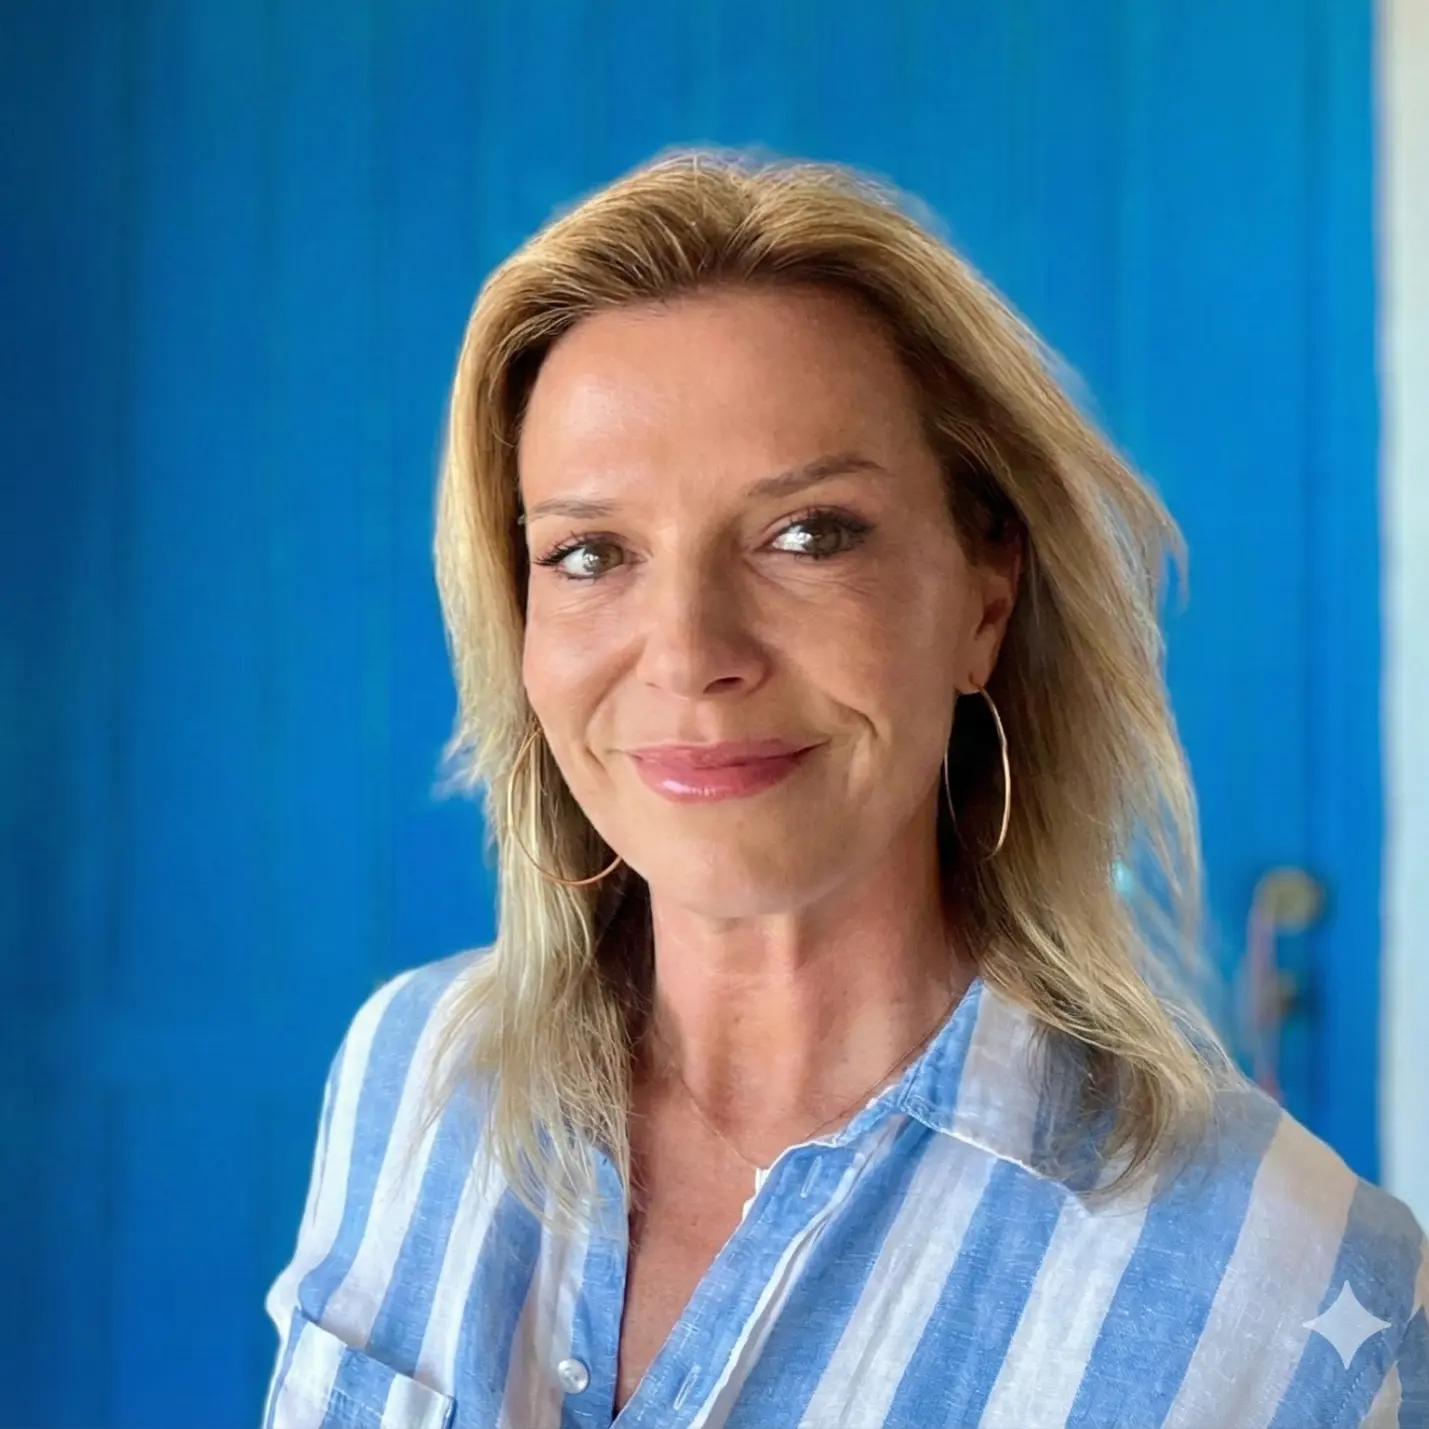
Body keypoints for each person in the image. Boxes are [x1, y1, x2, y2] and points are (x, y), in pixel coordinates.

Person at [261, 150, 1427, 1429]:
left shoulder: (1295, 1294)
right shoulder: (410, 1072)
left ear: (984, 597)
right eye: (590, 553)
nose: (690, 655)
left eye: (807, 534)